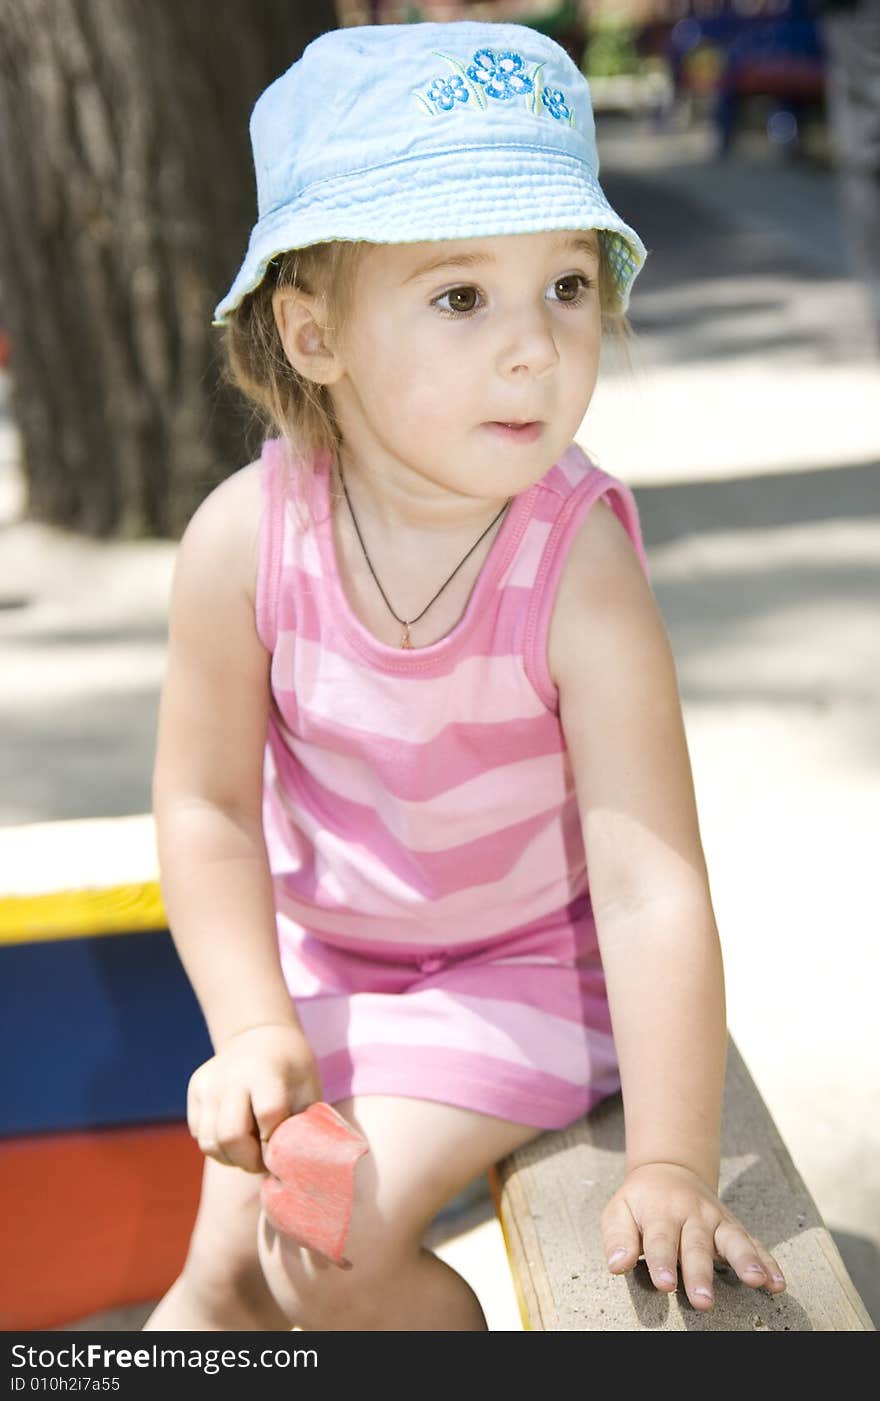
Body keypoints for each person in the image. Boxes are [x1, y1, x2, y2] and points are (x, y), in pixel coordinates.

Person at [143, 19, 788, 1332]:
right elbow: (205, 808)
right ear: (312, 335)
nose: (536, 347)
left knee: (327, 1230)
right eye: (459, 295)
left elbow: (653, 876)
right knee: (220, 1274)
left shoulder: (576, 568)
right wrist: (255, 1022)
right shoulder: (244, 542)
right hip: (331, 976)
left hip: (532, 975)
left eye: (565, 284)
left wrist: (671, 1160)